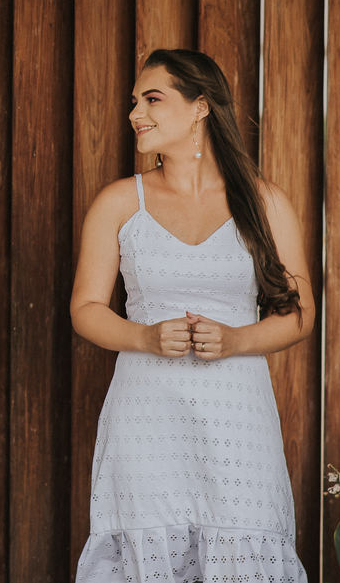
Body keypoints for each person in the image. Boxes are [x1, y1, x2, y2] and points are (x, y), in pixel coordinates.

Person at [71, 49, 313, 582]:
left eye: (152, 99)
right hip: (145, 415)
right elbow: (85, 309)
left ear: (200, 107)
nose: (136, 113)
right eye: (135, 101)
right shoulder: (120, 202)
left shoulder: (264, 202)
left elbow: (300, 313)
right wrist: (144, 337)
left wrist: (236, 340)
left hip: (237, 416)